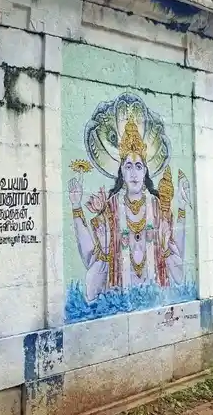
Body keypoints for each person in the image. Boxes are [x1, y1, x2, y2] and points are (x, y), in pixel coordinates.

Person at [68, 116, 191, 301]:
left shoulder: (157, 207)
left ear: (145, 172)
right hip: (120, 296)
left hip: (156, 295)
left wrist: (181, 207)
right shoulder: (110, 207)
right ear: (122, 173)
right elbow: (93, 257)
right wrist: (76, 207)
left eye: (139, 166)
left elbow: (175, 254)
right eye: (128, 166)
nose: (134, 173)